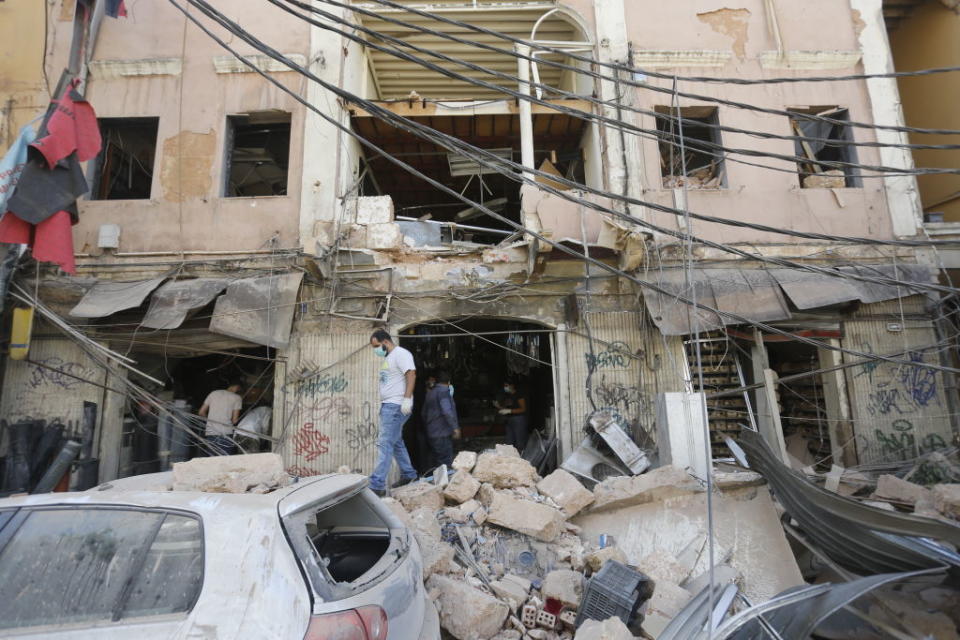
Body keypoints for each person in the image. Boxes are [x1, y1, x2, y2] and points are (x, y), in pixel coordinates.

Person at [369, 329, 418, 496]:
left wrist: (407, 398)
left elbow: (411, 373)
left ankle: (377, 484)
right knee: (396, 441)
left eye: (376, 346)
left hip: (396, 405)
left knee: (385, 442)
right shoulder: (388, 358)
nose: (375, 349)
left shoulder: (401, 354)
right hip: (389, 405)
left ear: (386, 342)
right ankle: (409, 474)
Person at [421, 370, 460, 469]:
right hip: (442, 433)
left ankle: (436, 481)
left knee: (437, 460)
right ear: (449, 381)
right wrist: (455, 428)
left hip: (433, 432)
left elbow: (423, 414)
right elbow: (447, 411)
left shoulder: (430, 393)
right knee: (445, 462)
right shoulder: (443, 392)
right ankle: (444, 483)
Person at [198, 380, 243, 456]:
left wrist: (210, 421)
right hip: (225, 433)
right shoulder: (237, 398)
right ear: (237, 387)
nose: (238, 391)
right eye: (238, 390)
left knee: (212, 460)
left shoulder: (213, 393)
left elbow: (201, 412)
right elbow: (235, 420)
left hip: (210, 432)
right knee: (225, 460)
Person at [495, 379, 528, 451]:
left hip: (519, 419)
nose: (505, 387)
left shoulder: (519, 395)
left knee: (520, 442)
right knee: (509, 442)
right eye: (504, 386)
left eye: (506, 385)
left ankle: (521, 457)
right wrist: (500, 407)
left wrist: (509, 411)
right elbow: (508, 407)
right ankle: (511, 458)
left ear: (512, 386)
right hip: (509, 420)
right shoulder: (508, 396)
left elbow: (523, 409)